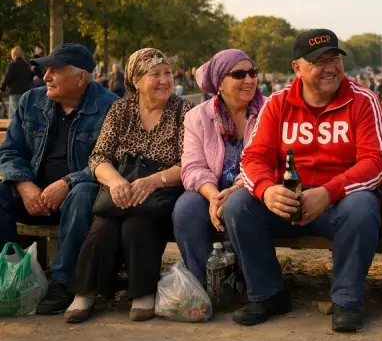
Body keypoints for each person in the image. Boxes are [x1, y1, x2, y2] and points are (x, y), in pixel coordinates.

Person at [223, 29, 382, 331]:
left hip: (338, 203)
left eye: (333, 59)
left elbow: (375, 162)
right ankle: (268, 293)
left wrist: (328, 192)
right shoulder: (278, 103)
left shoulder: (364, 100)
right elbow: (252, 158)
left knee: (363, 205)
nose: (329, 68)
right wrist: (266, 190)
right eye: (318, 62)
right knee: (238, 205)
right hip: (287, 201)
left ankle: (347, 300)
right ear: (297, 68)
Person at [65, 48, 194, 323]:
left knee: (138, 224)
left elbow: (190, 163)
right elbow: (99, 157)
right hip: (121, 188)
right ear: (136, 79)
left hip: (161, 190)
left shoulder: (184, 109)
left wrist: (153, 181)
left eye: (168, 73)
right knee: (104, 226)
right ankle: (85, 293)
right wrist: (116, 182)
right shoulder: (121, 109)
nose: (164, 80)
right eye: (155, 74)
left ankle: (143, 292)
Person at [0, 44, 117, 314]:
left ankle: (63, 282)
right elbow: (10, 151)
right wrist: (24, 185)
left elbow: (111, 160)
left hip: (78, 203)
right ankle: (10, 274)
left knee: (84, 192)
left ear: (81, 78)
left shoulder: (110, 106)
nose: (46, 76)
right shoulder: (31, 101)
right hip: (32, 198)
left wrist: (67, 183)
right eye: (46, 70)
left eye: (55, 70)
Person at [173, 49, 265, 282]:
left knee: (238, 204)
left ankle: (247, 279)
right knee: (186, 207)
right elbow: (192, 166)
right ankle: (205, 284)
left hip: (255, 188)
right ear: (219, 84)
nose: (249, 80)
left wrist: (236, 190)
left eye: (252, 72)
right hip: (211, 189)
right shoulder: (197, 116)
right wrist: (213, 195)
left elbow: (270, 161)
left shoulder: (270, 110)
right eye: (239, 74)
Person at [1, 46, 33, 118]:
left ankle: (16, 129)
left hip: (14, 93)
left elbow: (6, 78)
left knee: (16, 116)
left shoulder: (12, 65)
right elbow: (31, 78)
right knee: (21, 113)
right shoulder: (27, 65)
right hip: (26, 92)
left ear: (14, 54)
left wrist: (2, 89)